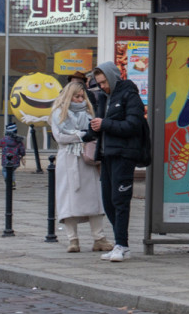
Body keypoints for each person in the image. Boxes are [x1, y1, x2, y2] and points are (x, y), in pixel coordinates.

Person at [89, 62, 149, 262]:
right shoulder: (103, 98)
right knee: (108, 202)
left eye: (104, 82)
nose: (102, 86)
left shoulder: (129, 96)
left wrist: (105, 124)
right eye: (99, 83)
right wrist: (85, 132)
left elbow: (133, 124)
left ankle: (122, 245)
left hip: (124, 155)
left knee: (120, 201)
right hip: (107, 155)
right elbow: (98, 126)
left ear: (113, 77)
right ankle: (120, 243)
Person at [50, 80, 110, 253]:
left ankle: (99, 238)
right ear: (69, 96)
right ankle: (72, 240)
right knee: (68, 200)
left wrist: (80, 136)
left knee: (94, 198)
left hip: (86, 159)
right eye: (76, 96)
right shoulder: (58, 114)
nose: (79, 100)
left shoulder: (89, 112)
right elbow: (60, 137)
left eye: (81, 96)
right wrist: (82, 136)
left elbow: (94, 133)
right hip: (67, 159)